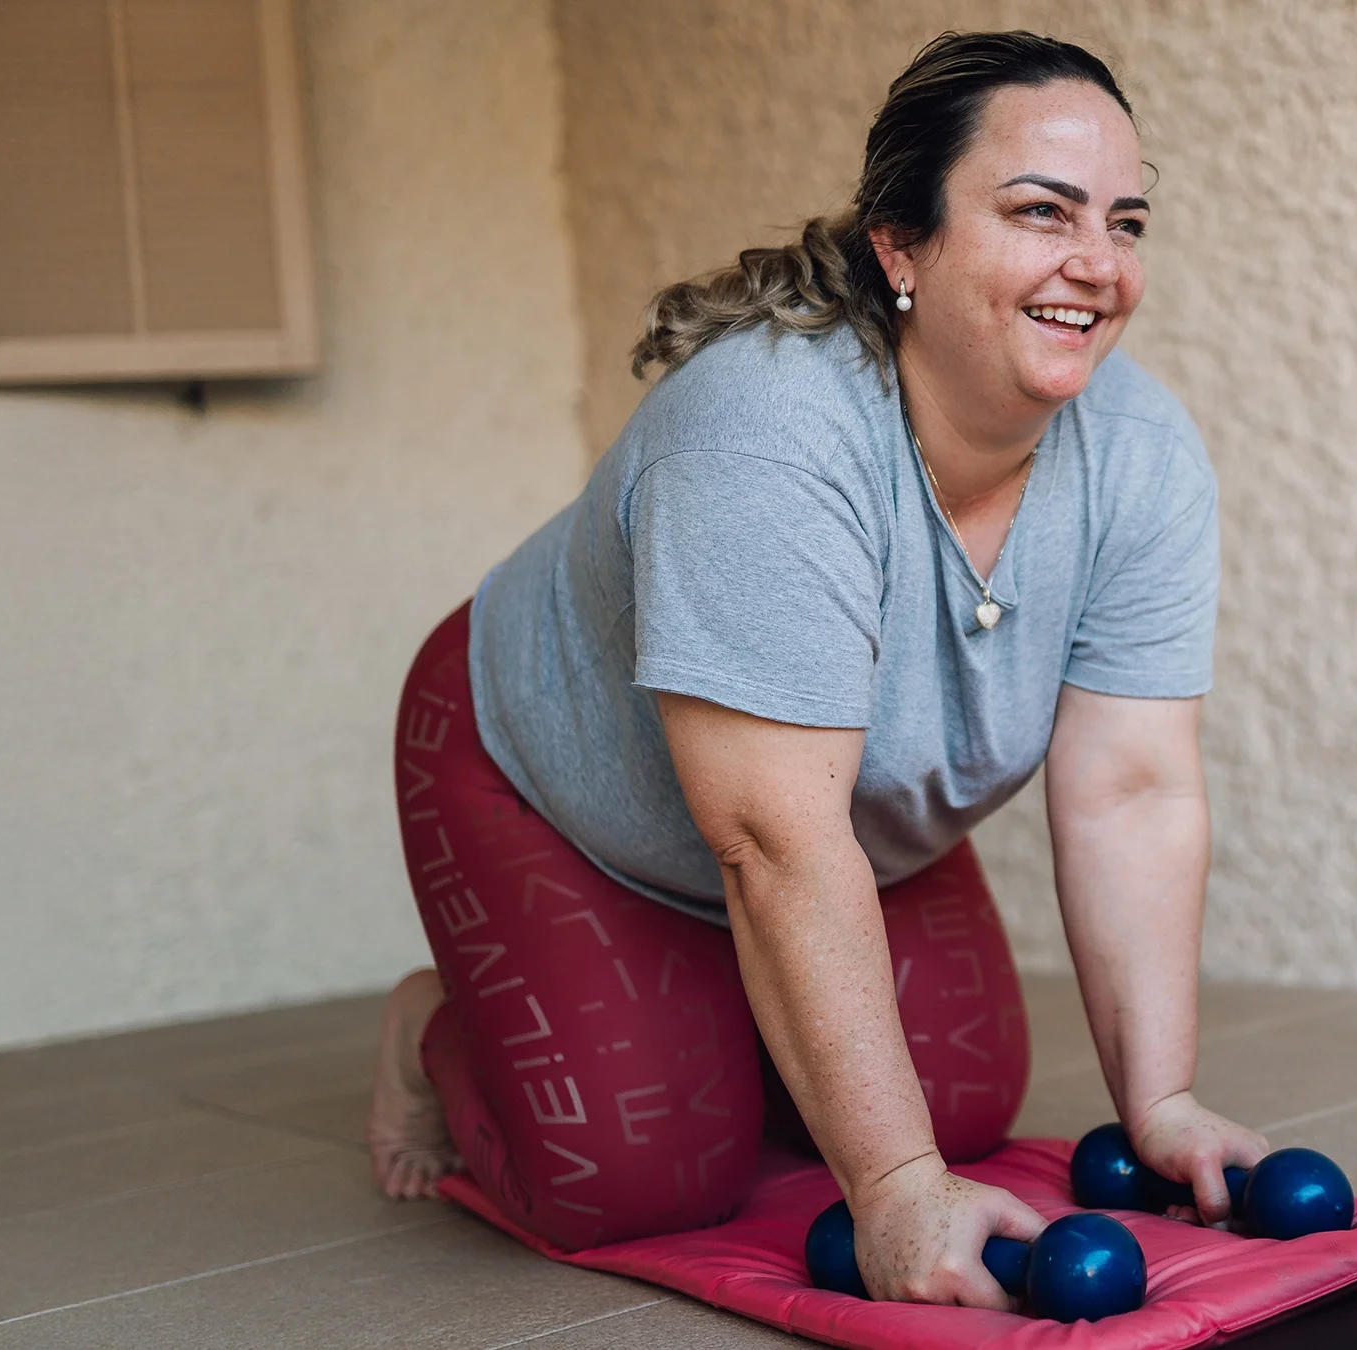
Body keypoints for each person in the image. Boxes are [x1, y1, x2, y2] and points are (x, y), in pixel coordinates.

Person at [365, 30, 1268, 1309]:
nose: (1097, 265)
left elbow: (1130, 788)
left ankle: (717, 1016)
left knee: (952, 1111)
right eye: (1037, 213)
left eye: (1125, 222)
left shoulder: (1143, 454)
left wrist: (1161, 1103)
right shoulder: (766, 435)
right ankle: (433, 1028)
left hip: (827, 813)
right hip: (552, 781)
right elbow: (776, 846)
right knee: (639, 1177)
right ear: (900, 247)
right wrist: (892, 1189)